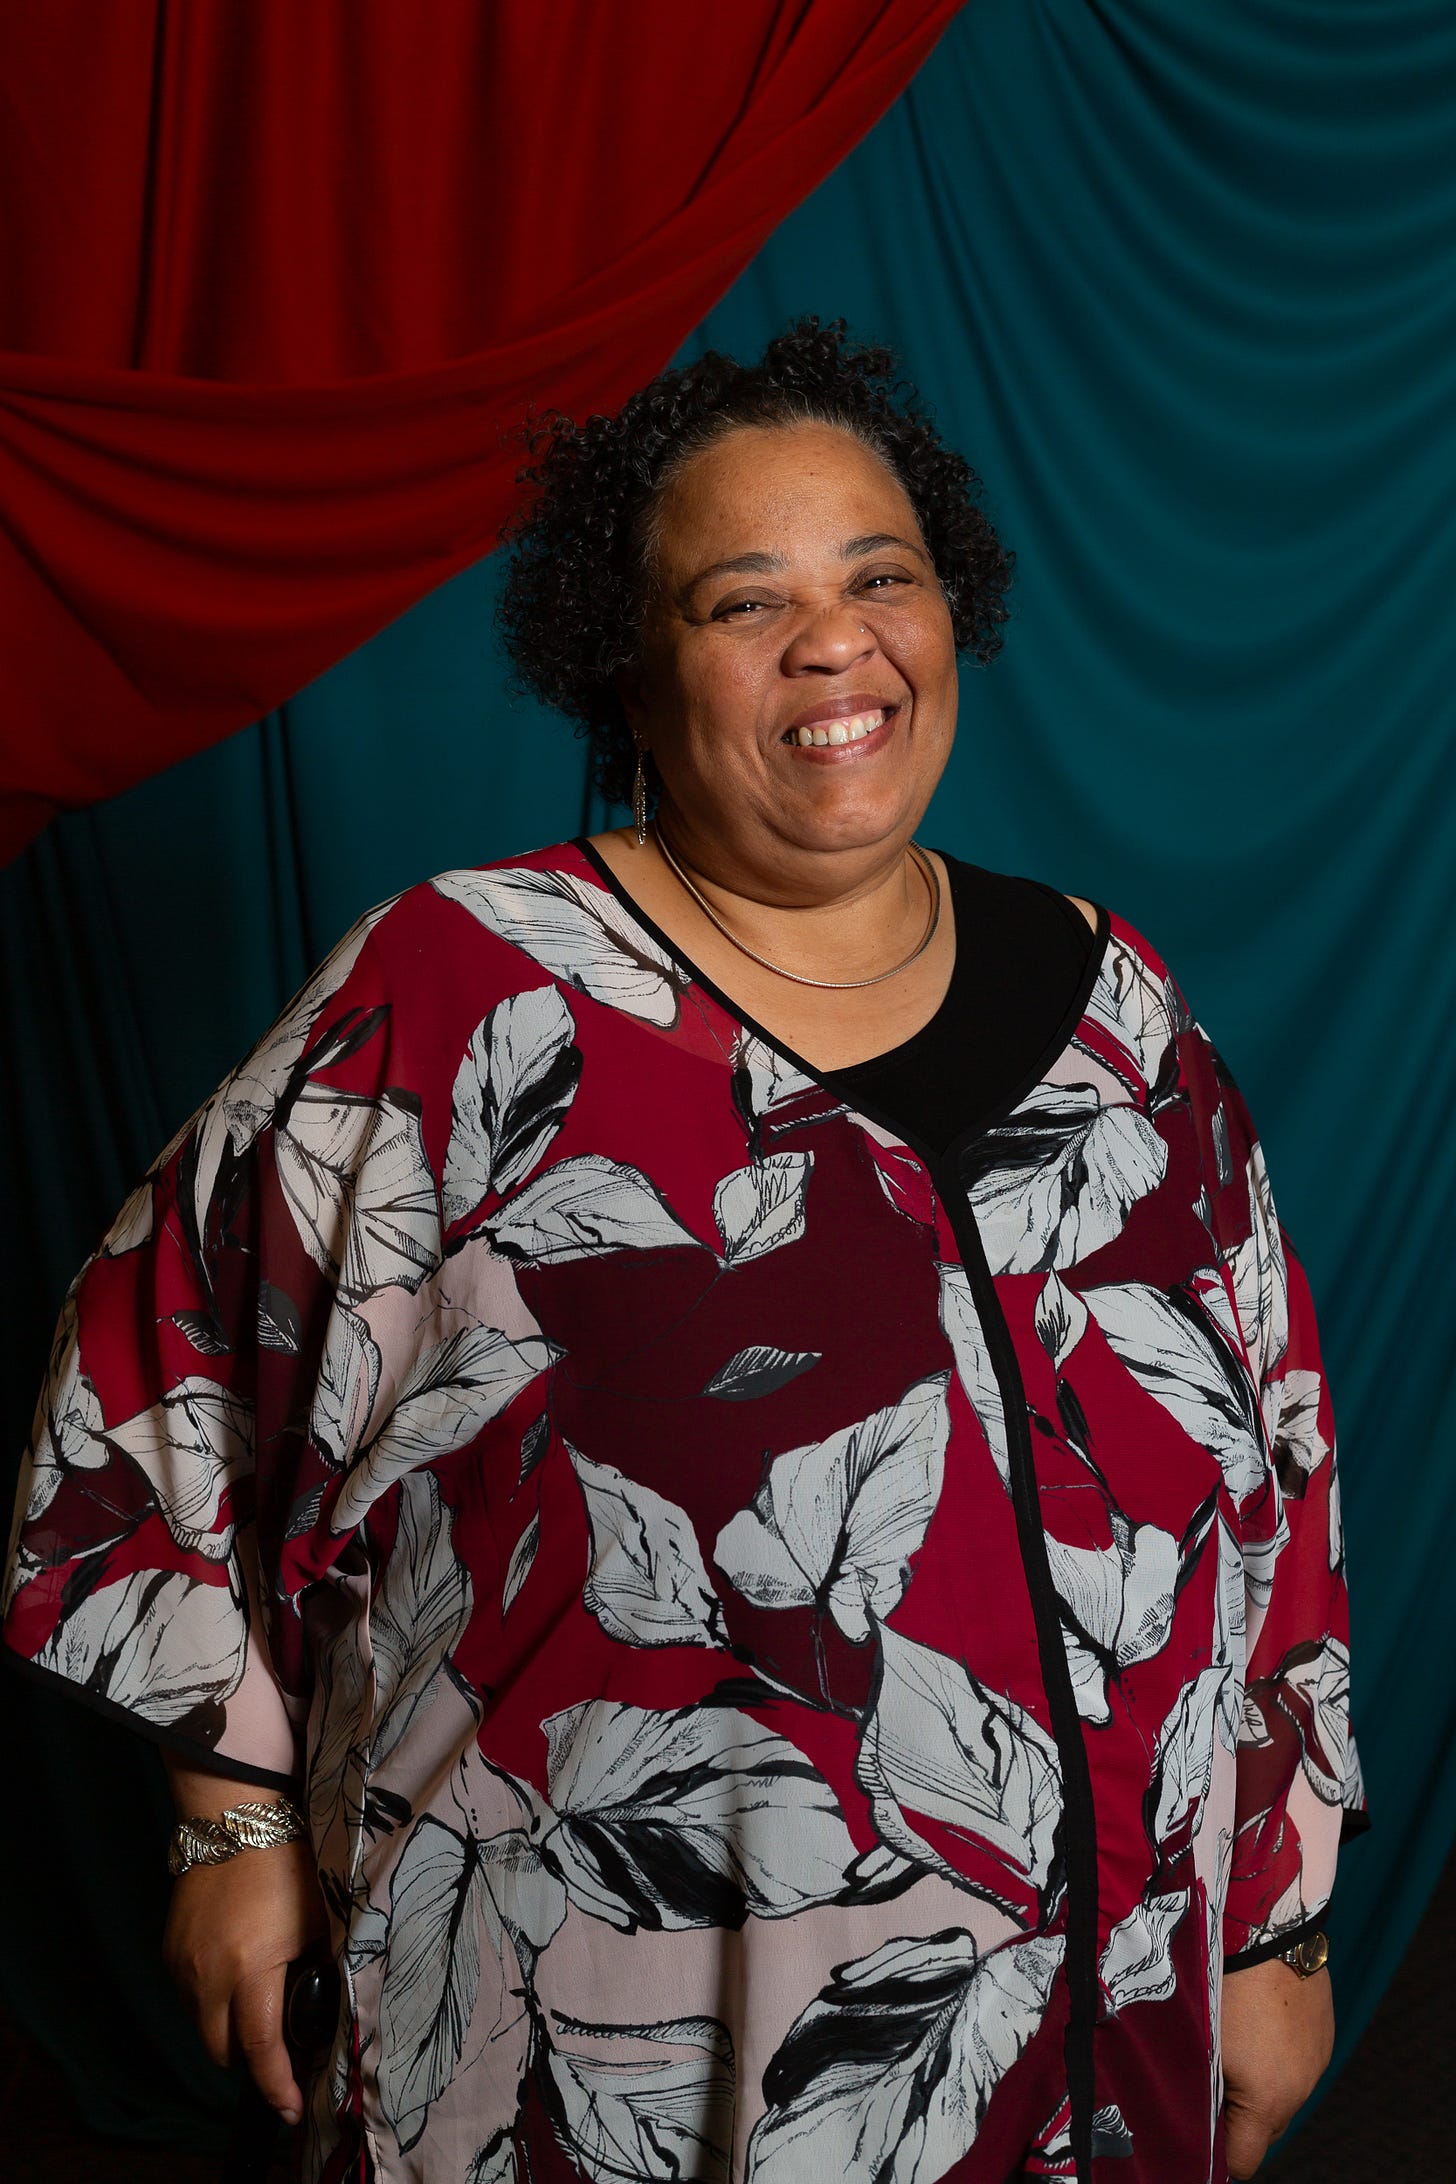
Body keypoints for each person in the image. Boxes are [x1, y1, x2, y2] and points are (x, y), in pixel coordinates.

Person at [2, 321, 1365, 2184]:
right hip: (607, 2026)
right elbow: (152, 1381)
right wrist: (229, 1825)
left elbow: (1272, 1473)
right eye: (747, 600)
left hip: (1096, 2021)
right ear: (625, 679)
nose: (835, 641)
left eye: (881, 577)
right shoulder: (466, 990)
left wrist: (1273, 1921)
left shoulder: (1117, 1003)